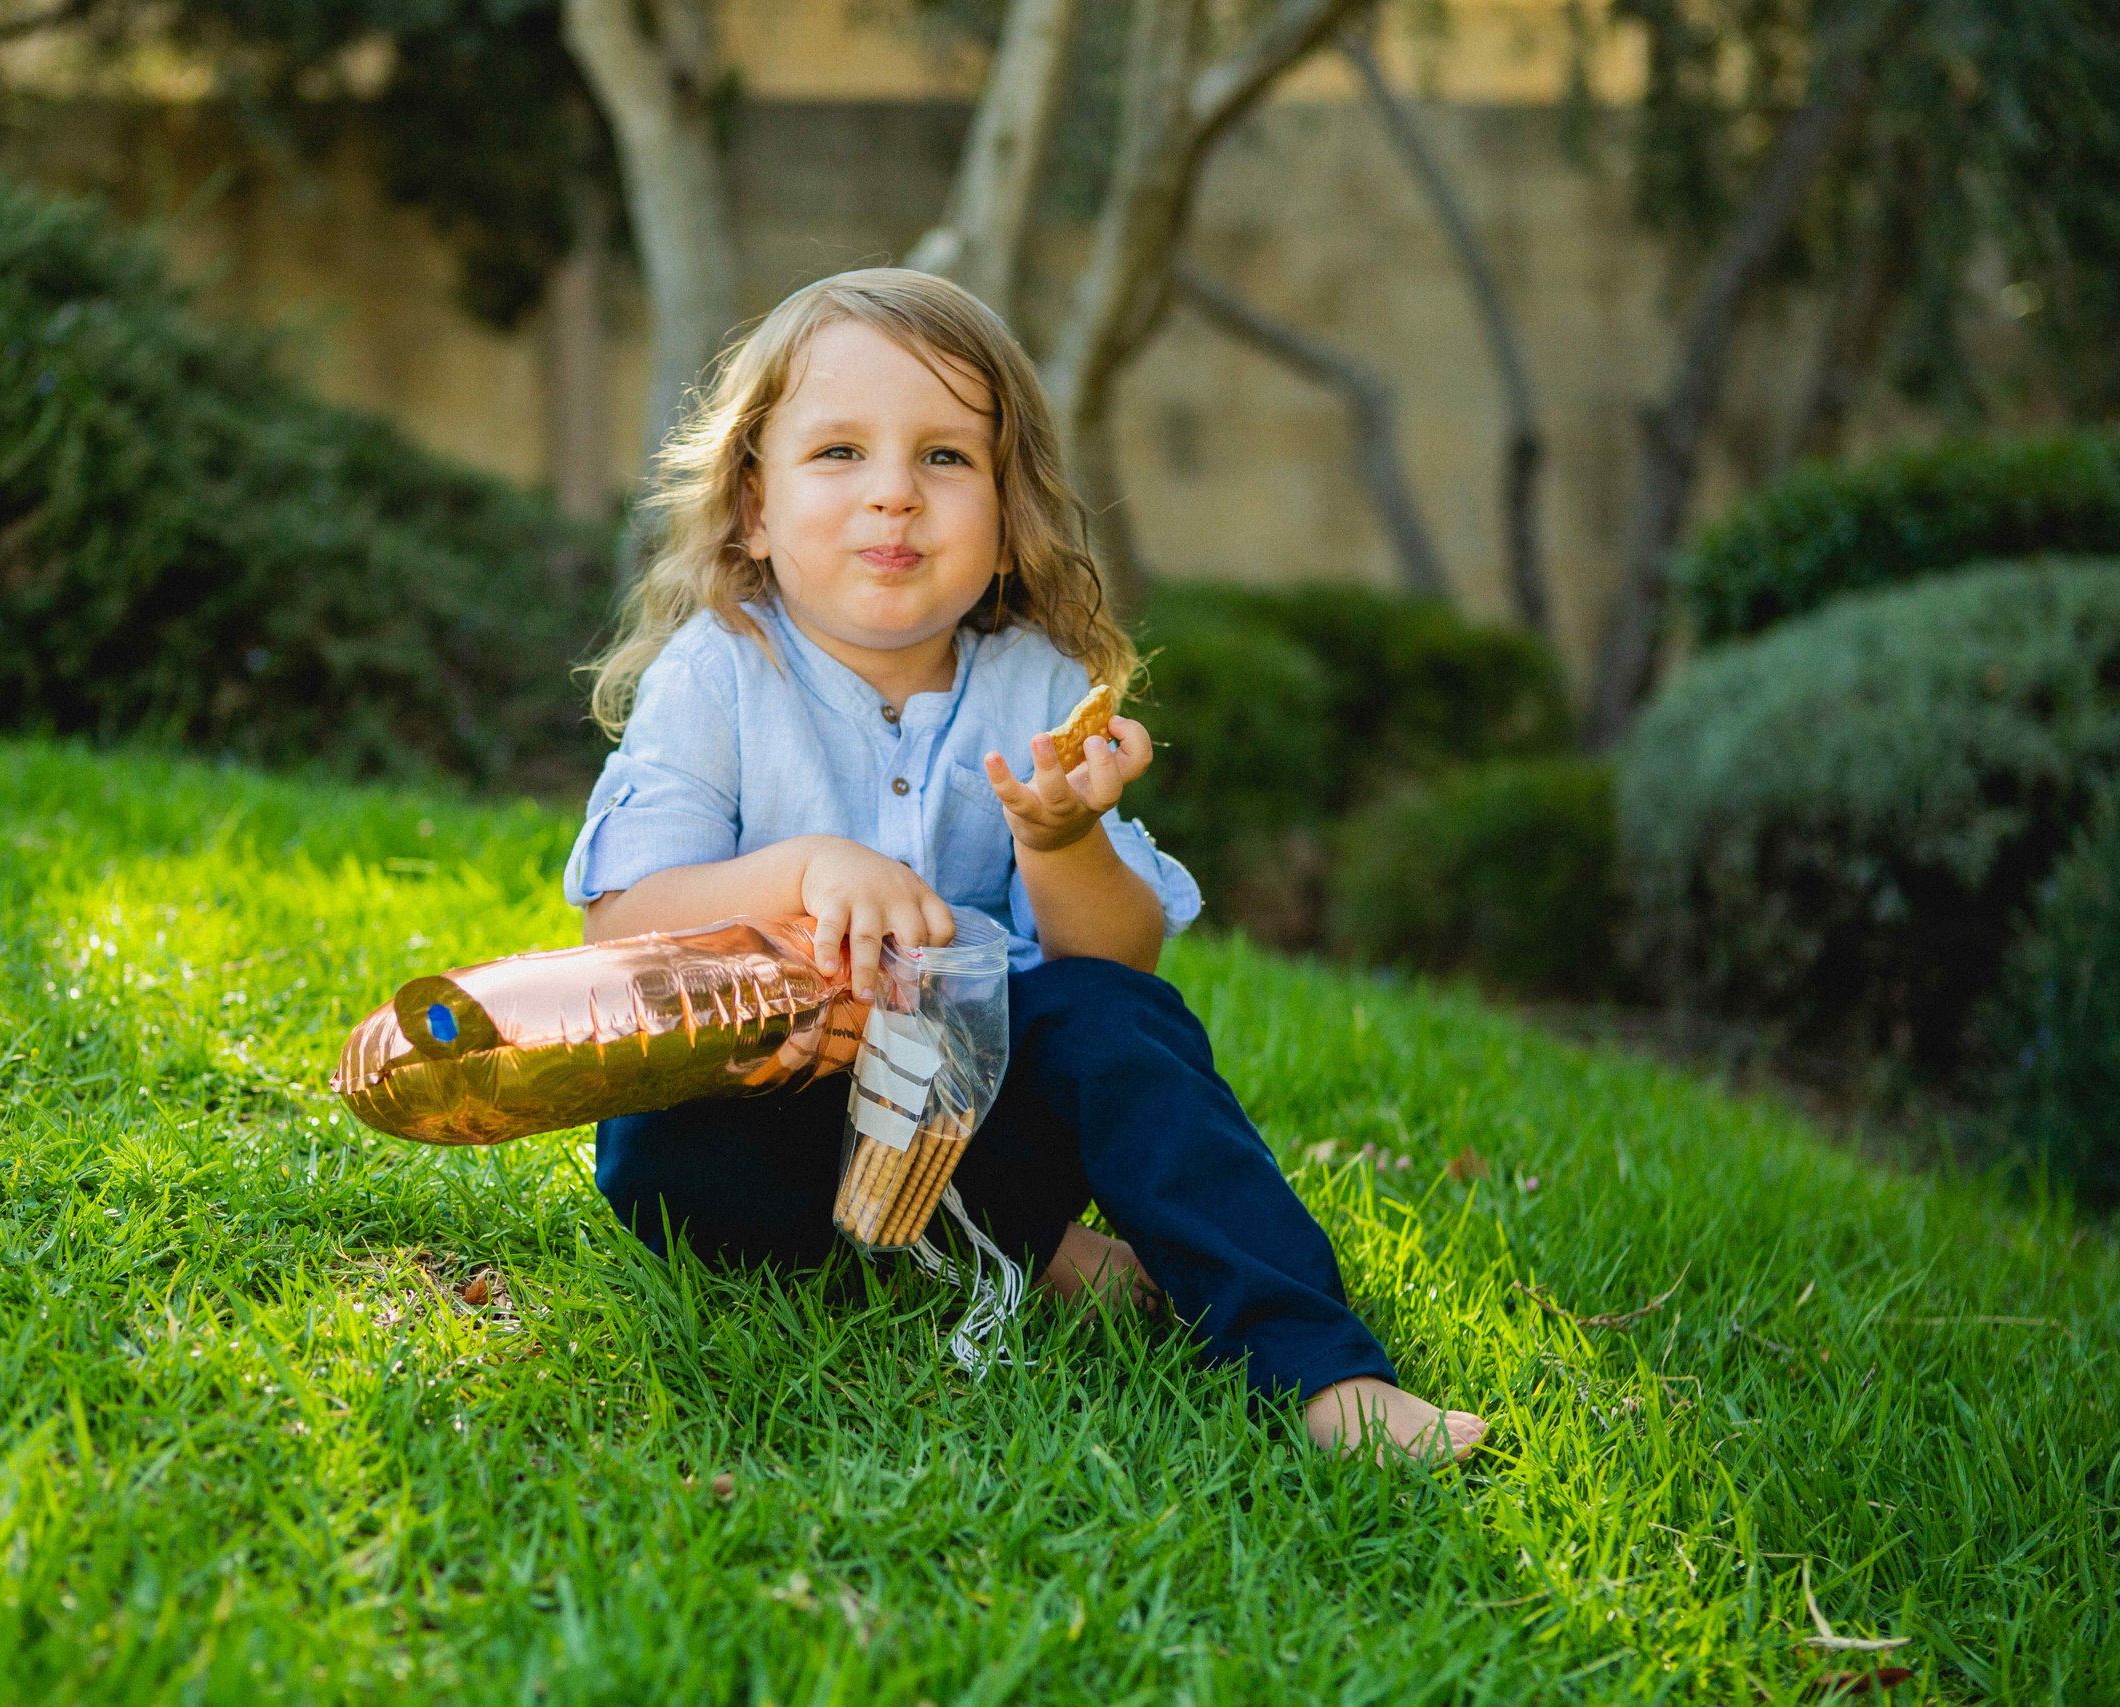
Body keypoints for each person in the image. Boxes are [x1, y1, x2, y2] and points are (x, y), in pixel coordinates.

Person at [565, 268, 1487, 1462]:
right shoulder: (716, 674)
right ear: (750, 506)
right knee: (659, 1155)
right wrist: (801, 868)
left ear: (1010, 515)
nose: (894, 495)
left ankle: (1315, 1367)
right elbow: (618, 929)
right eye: (839, 452)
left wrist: (1061, 838)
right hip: (769, 1114)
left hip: (971, 1107)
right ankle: (1019, 1247)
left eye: (946, 459)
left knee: (1117, 1030)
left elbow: (1115, 972)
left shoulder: (1038, 688)